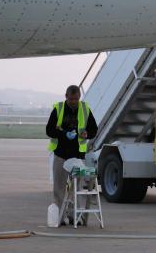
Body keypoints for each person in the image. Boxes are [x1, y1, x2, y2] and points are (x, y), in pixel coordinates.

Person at [46, 85, 98, 224]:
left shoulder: (85, 109)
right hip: (61, 154)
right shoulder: (59, 108)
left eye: (76, 99)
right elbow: (49, 130)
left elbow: (94, 129)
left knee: (77, 188)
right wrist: (63, 134)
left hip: (78, 155)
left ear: (79, 97)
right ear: (66, 96)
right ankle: (59, 216)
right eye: (71, 99)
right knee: (59, 187)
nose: (74, 101)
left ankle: (74, 215)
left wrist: (87, 134)